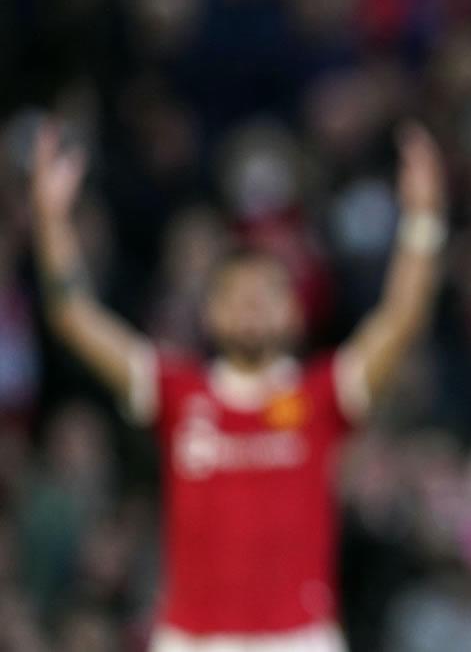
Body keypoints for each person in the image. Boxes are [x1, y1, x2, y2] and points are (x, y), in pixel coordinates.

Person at [30, 120, 448, 652]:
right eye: (236, 293)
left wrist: (422, 218)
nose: (251, 304)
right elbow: (71, 314)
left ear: (295, 311)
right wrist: (50, 220)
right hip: (193, 641)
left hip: (298, 640)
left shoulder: (322, 395)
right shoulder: (176, 394)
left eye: (267, 293)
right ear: (210, 314)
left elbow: (402, 318)